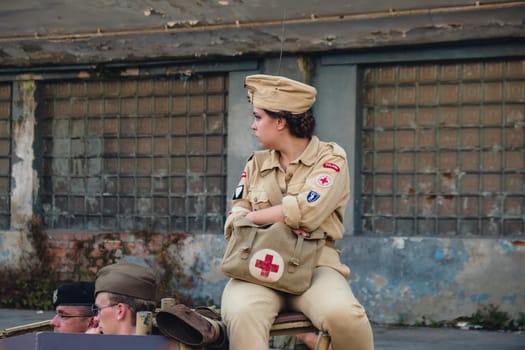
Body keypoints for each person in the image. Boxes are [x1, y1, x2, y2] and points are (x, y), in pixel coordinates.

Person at [221, 74, 374, 350]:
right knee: (242, 312)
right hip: (256, 264)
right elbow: (234, 217)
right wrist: (280, 217)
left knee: (346, 316)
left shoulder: (330, 158)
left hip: (315, 264)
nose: (252, 125)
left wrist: (255, 217)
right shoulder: (255, 163)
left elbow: (305, 212)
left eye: (258, 117)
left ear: (280, 121)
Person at [88, 260, 157, 335]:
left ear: (120, 310)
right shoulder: (164, 345)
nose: (95, 319)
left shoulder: (97, 345)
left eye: (98, 309)